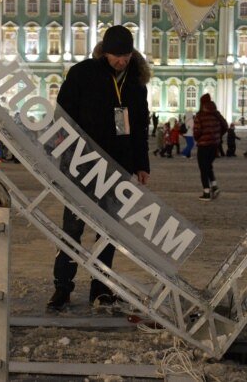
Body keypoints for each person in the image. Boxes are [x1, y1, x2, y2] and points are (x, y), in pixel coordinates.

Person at [48, 25, 150, 311]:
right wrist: (64, 155)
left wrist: (141, 164)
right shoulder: (82, 74)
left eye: (126, 55)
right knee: (72, 227)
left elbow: (140, 126)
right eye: (117, 55)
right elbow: (62, 116)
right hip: (82, 164)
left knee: (107, 231)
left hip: (117, 167)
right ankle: (62, 287)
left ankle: (100, 289)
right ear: (105, 52)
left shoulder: (136, 83)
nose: (122, 61)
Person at [193, 94, 226, 200]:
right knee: (208, 167)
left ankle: (206, 192)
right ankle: (215, 187)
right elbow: (225, 126)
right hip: (214, 145)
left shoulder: (200, 116)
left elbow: (197, 132)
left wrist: (198, 138)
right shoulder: (216, 114)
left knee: (203, 168)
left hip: (203, 145)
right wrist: (218, 136)